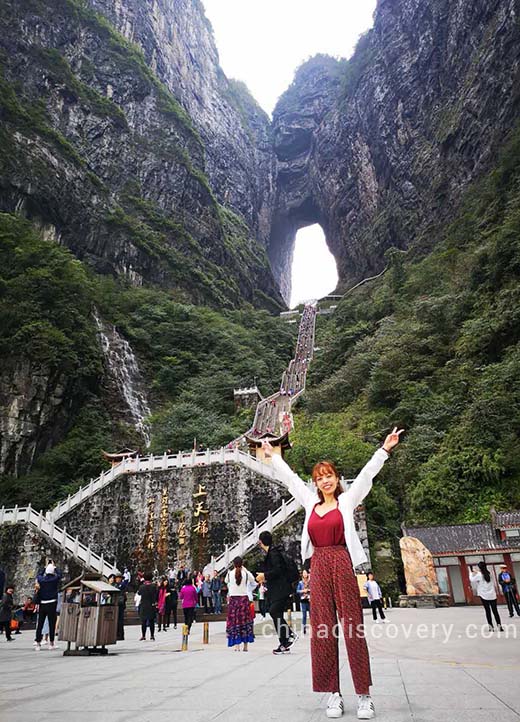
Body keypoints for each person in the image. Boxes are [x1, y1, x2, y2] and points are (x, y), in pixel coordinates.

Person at [262, 428, 402, 720]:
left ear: (336, 478)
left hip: (341, 561)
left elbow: (366, 476)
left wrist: (384, 450)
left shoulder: (346, 502)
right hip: (319, 566)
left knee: (352, 628)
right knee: (322, 632)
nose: (324, 480)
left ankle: (364, 696)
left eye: (329, 475)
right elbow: (290, 480)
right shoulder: (311, 503)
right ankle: (333, 695)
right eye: (319, 477)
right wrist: (274, 456)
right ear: (315, 482)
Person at [255, 531, 295, 655]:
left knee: (273, 611)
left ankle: (289, 635)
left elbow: (278, 570)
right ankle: (284, 644)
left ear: (261, 542)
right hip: (279, 589)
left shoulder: (273, 553)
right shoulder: (273, 552)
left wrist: (264, 575)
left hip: (281, 589)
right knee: (276, 613)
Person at [225, 557, 255, 651]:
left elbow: (226, 581)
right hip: (244, 600)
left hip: (233, 600)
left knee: (234, 622)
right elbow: (252, 579)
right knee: (245, 622)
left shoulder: (230, 574)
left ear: (233, 564)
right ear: (242, 564)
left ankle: (236, 646)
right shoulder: (245, 573)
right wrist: (244, 569)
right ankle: (245, 646)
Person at [35, 562, 62, 651]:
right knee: (51, 624)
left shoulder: (41, 580)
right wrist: (55, 567)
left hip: (42, 603)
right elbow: (59, 575)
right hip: (52, 603)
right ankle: (51, 643)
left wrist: (44, 567)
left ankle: (38, 643)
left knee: (40, 624)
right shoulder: (54, 579)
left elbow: (38, 575)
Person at [470, 562, 504, 632]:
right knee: (495, 611)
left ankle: (491, 627)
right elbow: (483, 573)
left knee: (488, 611)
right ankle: (500, 626)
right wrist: (477, 572)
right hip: (492, 595)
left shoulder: (479, 575)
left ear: (479, 568)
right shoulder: (490, 574)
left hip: (484, 596)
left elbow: (472, 579)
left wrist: (471, 573)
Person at [137, 572, 158, 641]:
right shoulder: (154, 586)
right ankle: (152, 635)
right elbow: (156, 594)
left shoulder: (142, 587)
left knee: (143, 621)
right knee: (151, 621)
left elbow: (139, 593)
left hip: (143, 605)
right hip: (151, 605)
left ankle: (143, 635)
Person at [114, 572, 127, 640]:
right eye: (117, 578)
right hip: (117, 603)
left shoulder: (122, 585)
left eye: (119, 578)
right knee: (117, 620)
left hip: (120, 604)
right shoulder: (115, 585)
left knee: (120, 620)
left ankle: (120, 635)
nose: (117, 579)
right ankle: (117, 634)